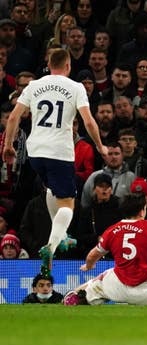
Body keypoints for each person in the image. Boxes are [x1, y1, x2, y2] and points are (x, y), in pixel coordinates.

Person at [2, 48, 108, 276]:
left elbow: (13, 117)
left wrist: (8, 145)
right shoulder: (76, 87)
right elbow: (88, 122)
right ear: (68, 66)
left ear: (49, 65)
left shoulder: (33, 85)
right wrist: (100, 146)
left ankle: (62, 236)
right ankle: (50, 246)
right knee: (68, 203)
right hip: (59, 152)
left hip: (35, 151)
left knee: (52, 190)